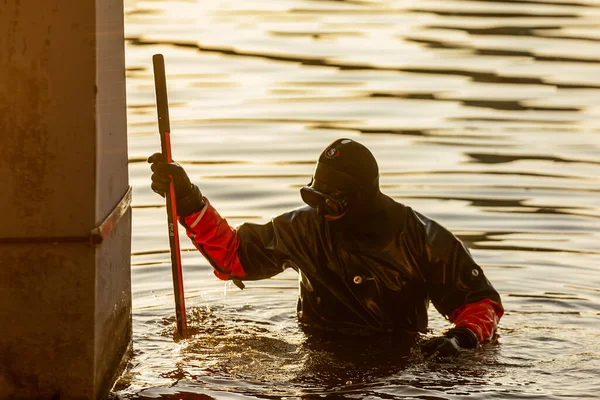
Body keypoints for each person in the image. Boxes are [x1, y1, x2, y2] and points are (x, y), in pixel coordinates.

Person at [148, 138, 504, 359]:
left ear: (363, 199)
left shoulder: (424, 238)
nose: (321, 212)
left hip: (397, 359)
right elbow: (234, 256)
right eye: (312, 198)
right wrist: (189, 201)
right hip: (318, 354)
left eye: (331, 203)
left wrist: (461, 338)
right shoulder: (304, 227)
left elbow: (479, 303)